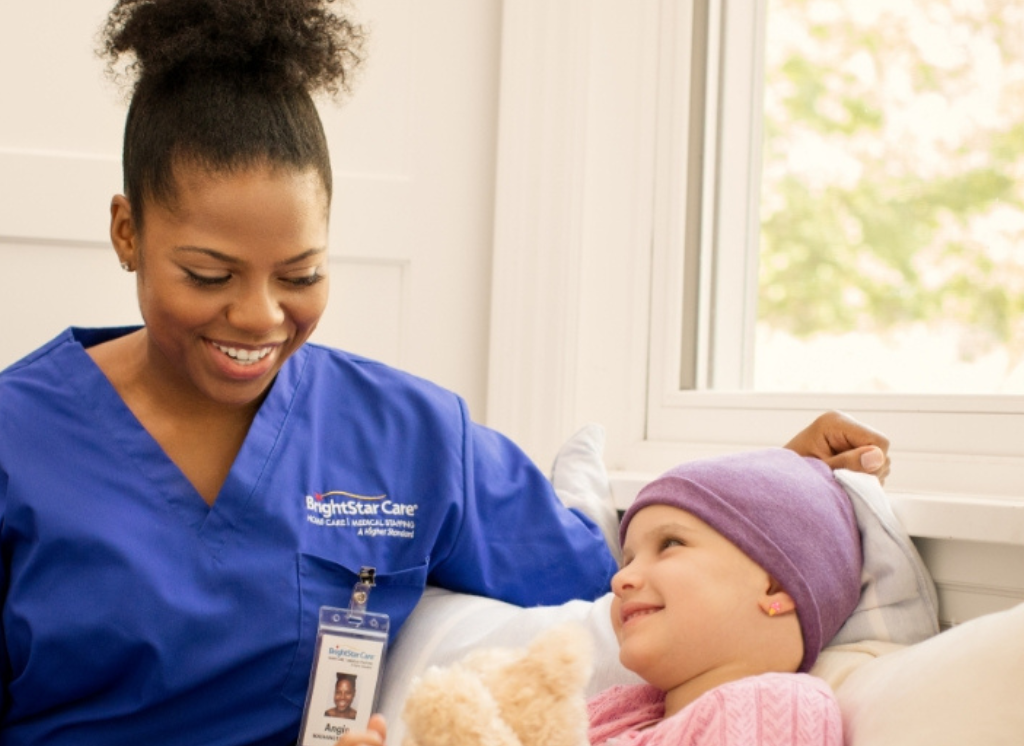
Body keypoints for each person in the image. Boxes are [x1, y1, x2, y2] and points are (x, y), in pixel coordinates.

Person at [0, 1, 889, 744]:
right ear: (127, 232)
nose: (261, 317)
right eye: (209, 275)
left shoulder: (408, 437)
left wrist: (778, 480)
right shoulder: (18, 441)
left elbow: (616, 574)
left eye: (302, 274)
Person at [585, 448, 863, 745]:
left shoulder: (774, 705)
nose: (620, 579)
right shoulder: (616, 708)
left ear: (775, 589)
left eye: (669, 543)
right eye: (627, 561)